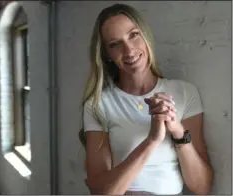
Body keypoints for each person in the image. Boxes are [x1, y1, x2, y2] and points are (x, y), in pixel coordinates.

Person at [78, 3, 213, 195]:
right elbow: (102, 192)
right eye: (115, 44)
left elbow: (202, 187)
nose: (129, 50)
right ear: (107, 55)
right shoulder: (98, 103)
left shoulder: (184, 93)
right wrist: (152, 140)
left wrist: (177, 130)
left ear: (145, 35)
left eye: (133, 35)